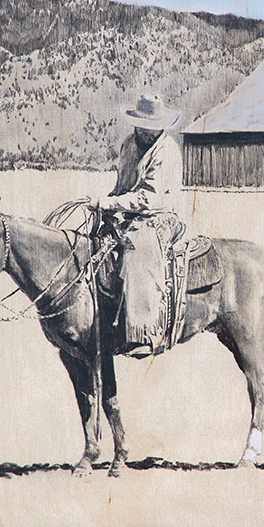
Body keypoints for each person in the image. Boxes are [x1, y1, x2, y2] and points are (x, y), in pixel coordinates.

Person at [90, 94, 185, 355]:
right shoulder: (129, 145)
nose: (143, 130)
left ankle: (142, 333)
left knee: (136, 248)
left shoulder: (167, 152)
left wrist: (111, 204)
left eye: (149, 126)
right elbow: (123, 186)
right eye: (140, 125)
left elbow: (149, 198)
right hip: (131, 213)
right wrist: (107, 204)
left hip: (160, 216)